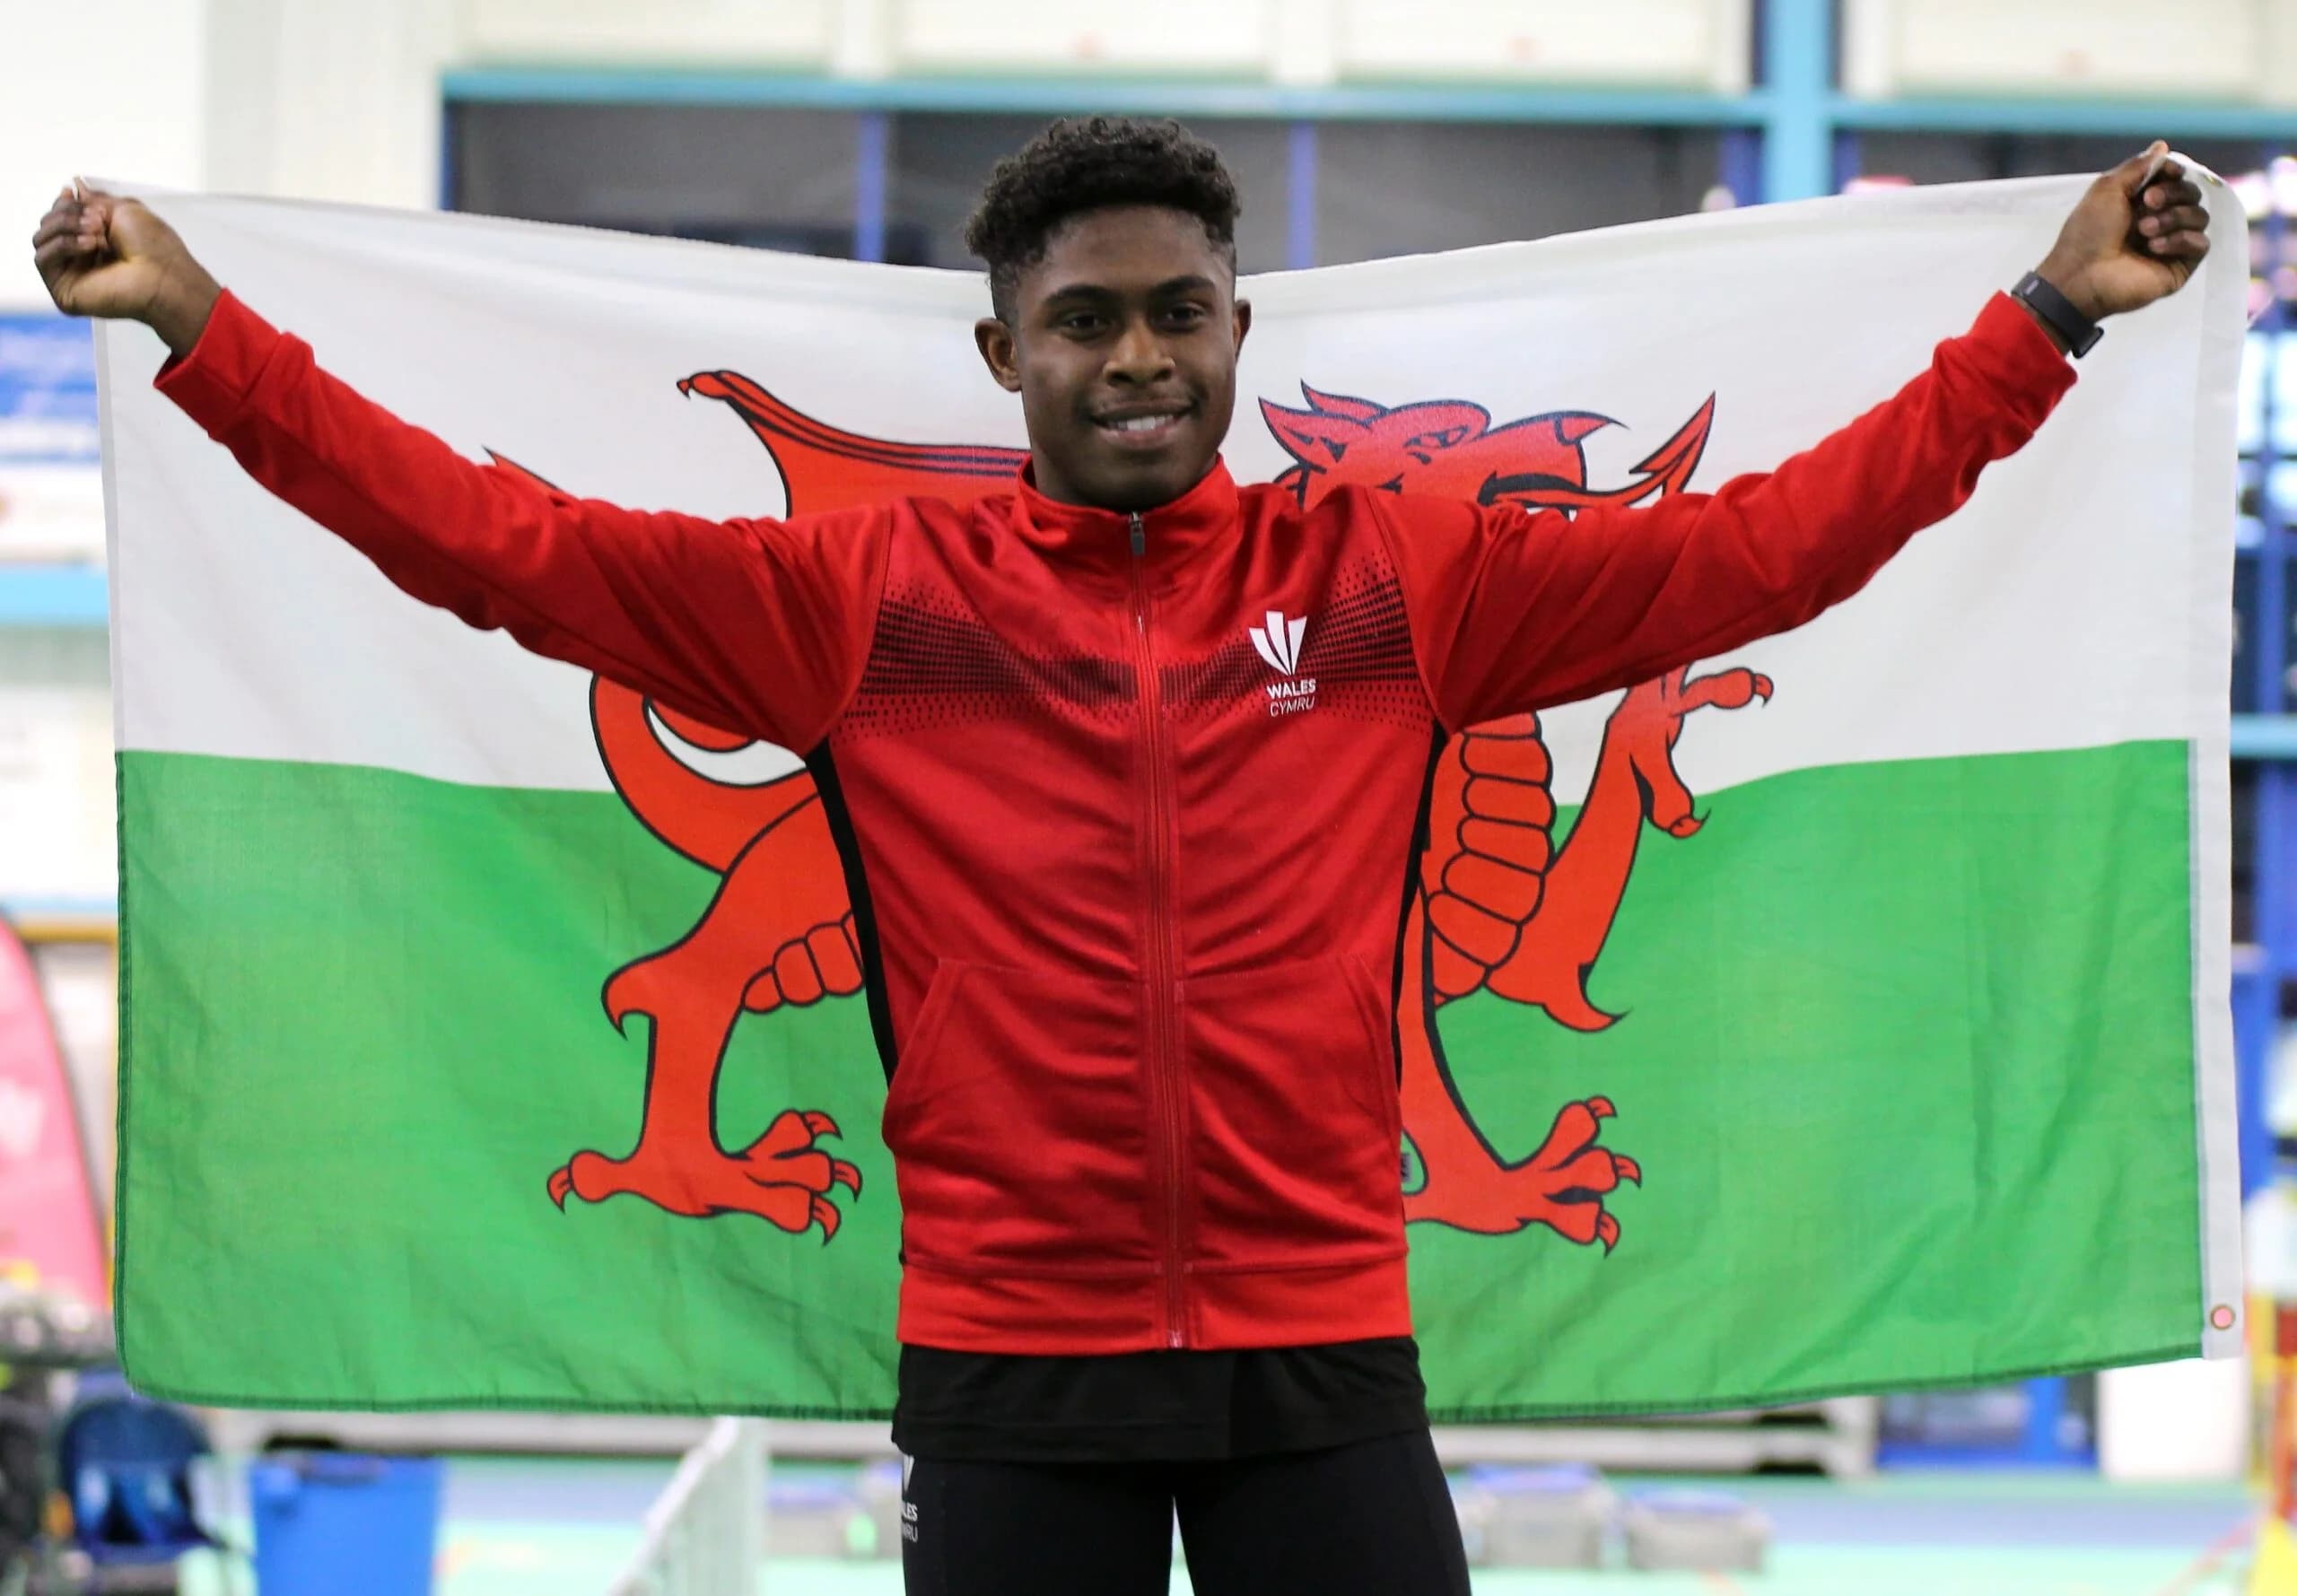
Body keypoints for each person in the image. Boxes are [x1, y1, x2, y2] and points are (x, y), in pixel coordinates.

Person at [31, 118, 2209, 1595]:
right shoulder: (872, 601)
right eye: (1086, 320)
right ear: (1003, 355)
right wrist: (206, 333)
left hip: (1321, 1350)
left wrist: (2043, 320)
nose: (1140, 355)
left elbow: (1763, 552)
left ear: (1241, 336)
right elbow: (491, 543)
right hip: (1010, 1367)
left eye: (1179, 311)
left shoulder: (1389, 582)